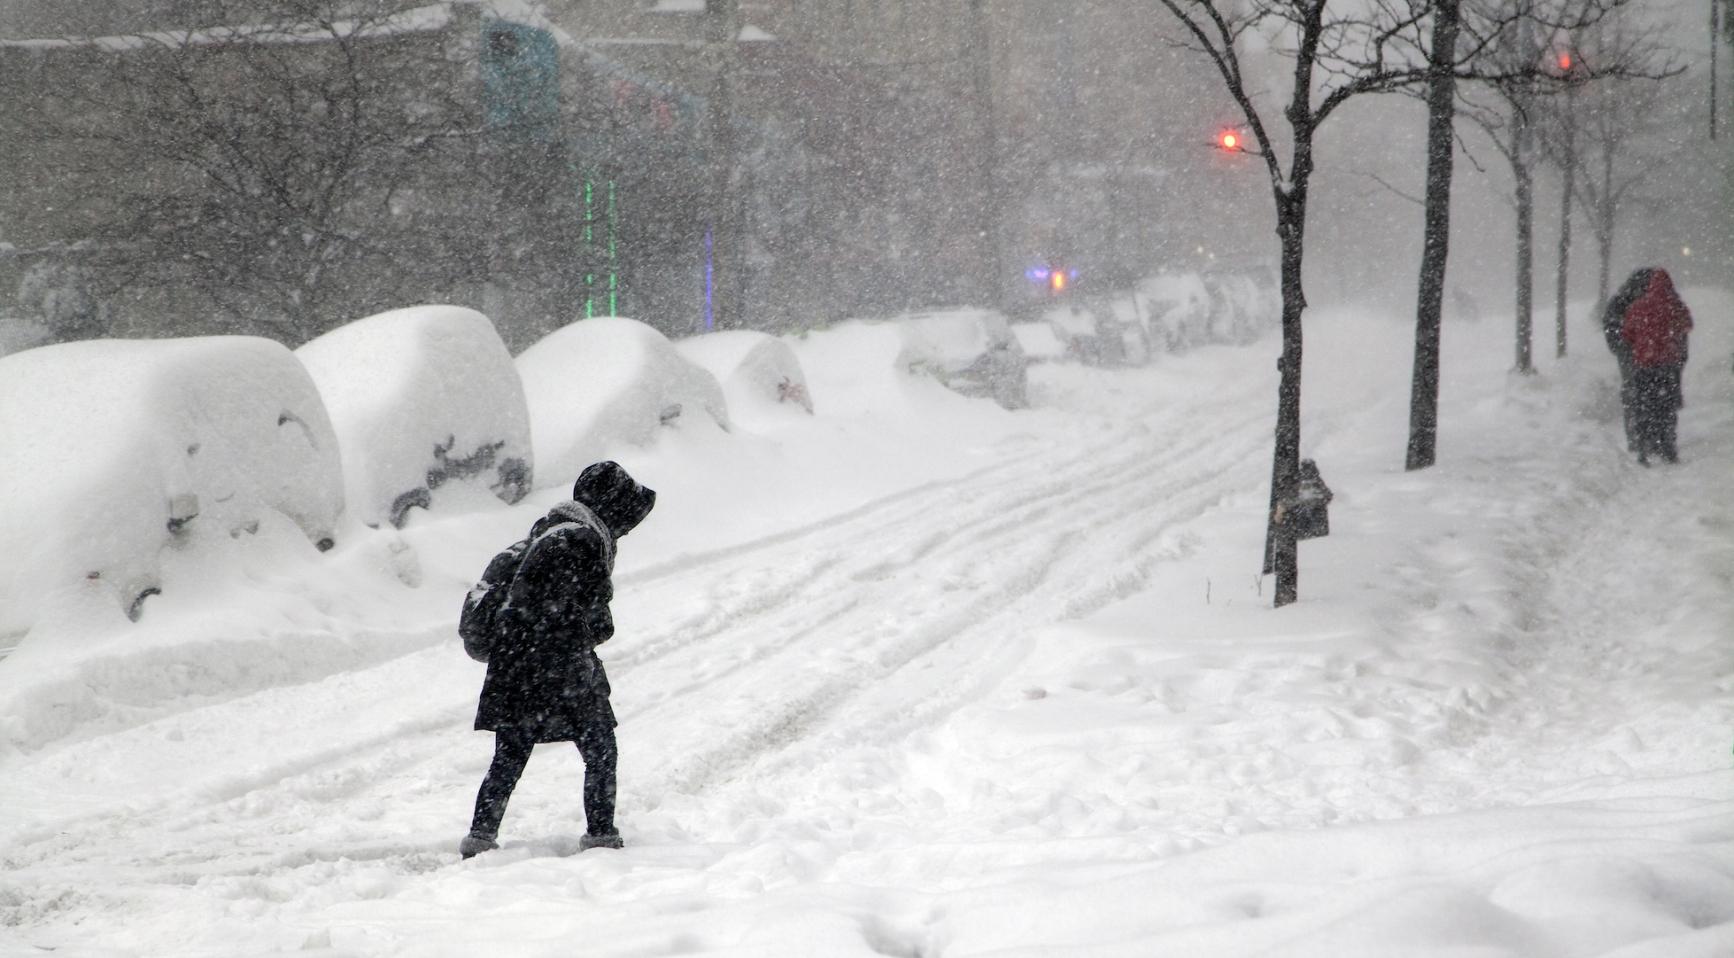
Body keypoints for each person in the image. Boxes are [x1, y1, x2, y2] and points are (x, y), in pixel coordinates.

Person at [460, 461, 656, 859]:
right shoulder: (581, 542)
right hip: (558, 668)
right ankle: (601, 837)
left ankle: (480, 838)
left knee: (510, 756)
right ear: (611, 507)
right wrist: (589, 630)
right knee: (601, 748)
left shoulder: (545, 532)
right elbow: (577, 615)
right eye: (625, 516)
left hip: (515, 667)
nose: (627, 528)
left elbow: (523, 605)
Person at [1603, 267, 1693, 465]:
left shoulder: (1635, 306)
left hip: (1642, 363)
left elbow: (1623, 332)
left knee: (1641, 402)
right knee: (1665, 405)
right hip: (1668, 364)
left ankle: (1641, 442)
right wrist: (1678, 357)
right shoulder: (1674, 304)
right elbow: (1686, 326)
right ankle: (1665, 444)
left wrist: (1630, 350)